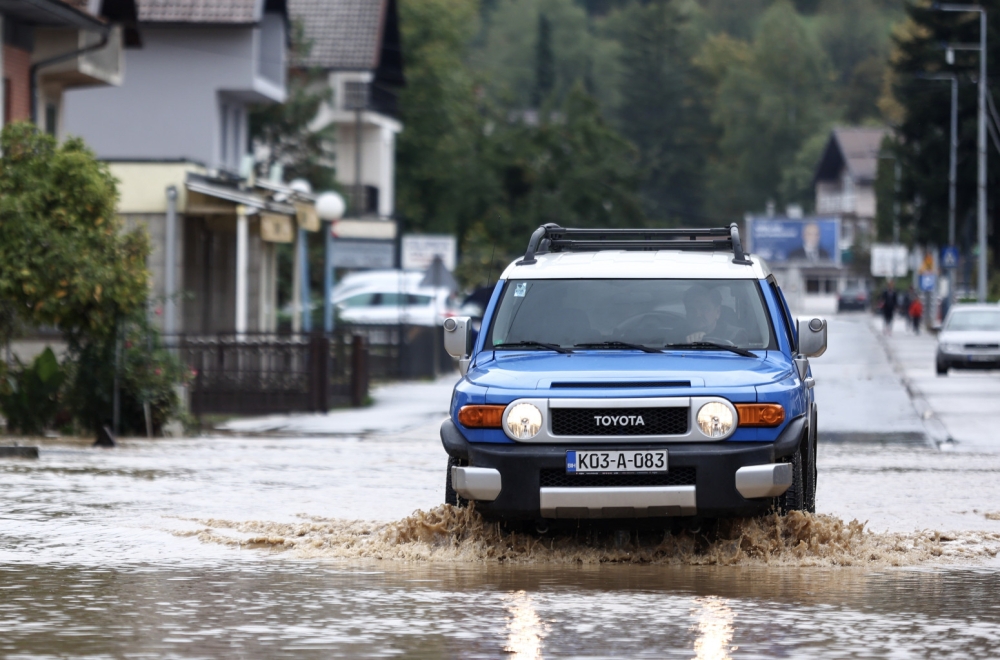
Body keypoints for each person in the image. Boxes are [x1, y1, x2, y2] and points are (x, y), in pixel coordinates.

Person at [682, 285, 747, 345]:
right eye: (691, 310)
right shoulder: (676, 337)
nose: (697, 314)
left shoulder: (734, 336)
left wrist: (715, 346)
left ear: (717, 312)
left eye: (704, 308)